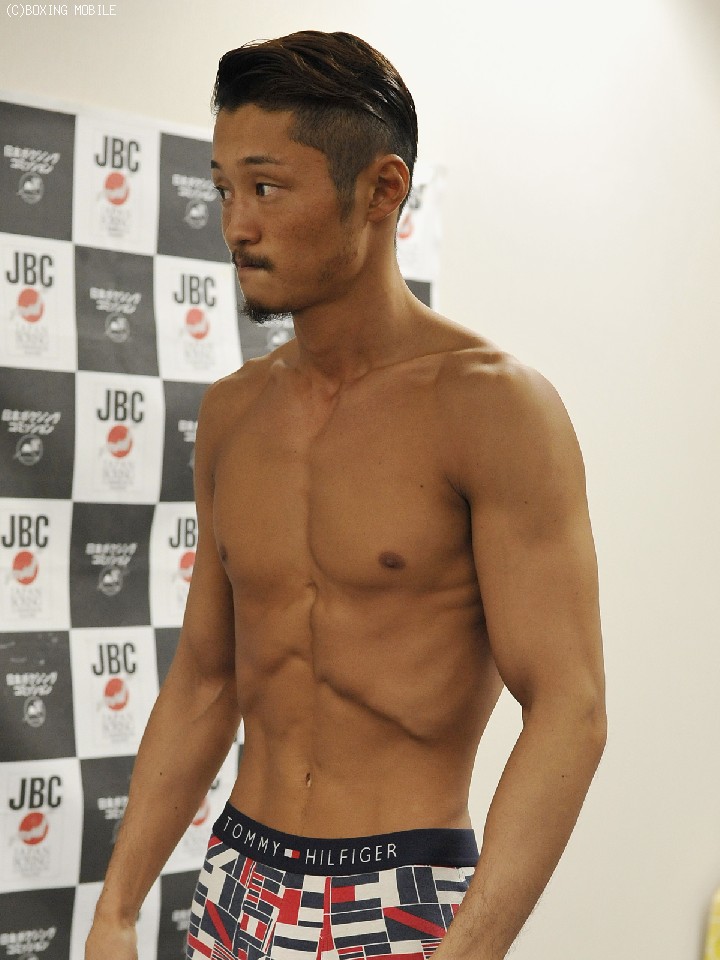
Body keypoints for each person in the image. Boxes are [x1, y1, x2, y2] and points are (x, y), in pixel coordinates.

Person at [85, 30, 606, 960]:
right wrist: (116, 909)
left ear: (382, 190)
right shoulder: (235, 413)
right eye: (224, 189)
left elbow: (571, 706)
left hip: (401, 895)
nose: (236, 225)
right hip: (236, 884)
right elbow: (206, 677)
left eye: (267, 187)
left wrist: (468, 951)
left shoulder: (492, 407)